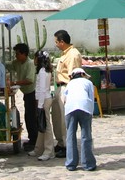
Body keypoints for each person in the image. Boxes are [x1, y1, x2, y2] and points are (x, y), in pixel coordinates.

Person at [52, 29, 82, 158]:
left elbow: (73, 75)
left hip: (67, 87)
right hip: (59, 87)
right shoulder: (65, 54)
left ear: (62, 42)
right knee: (57, 118)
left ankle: (67, 145)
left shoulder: (73, 55)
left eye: (56, 42)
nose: (56, 44)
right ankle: (60, 142)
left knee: (65, 120)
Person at [63, 67, 96, 172]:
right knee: (86, 136)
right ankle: (88, 164)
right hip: (84, 107)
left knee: (70, 136)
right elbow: (91, 98)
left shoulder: (69, 84)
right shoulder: (88, 83)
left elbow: (64, 99)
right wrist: (91, 114)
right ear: (82, 74)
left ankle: (71, 164)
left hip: (70, 108)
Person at [9, 43, 37, 151]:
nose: (16, 56)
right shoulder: (17, 62)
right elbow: (8, 65)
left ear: (24, 54)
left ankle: (34, 140)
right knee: (28, 116)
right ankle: (32, 139)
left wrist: (15, 82)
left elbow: (30, 80)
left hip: (32, 93)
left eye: (18, 53)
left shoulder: (30, 64)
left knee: (31, 117)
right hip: (26, 93)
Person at [29, 50, 55, 161]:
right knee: (41, 125)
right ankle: (38, 148)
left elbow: (43, 90)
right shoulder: (42, 71)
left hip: (44, 100)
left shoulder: (43, 72)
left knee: (46, 126)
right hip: (42, 100)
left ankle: (49, 151)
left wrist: (39, 105)